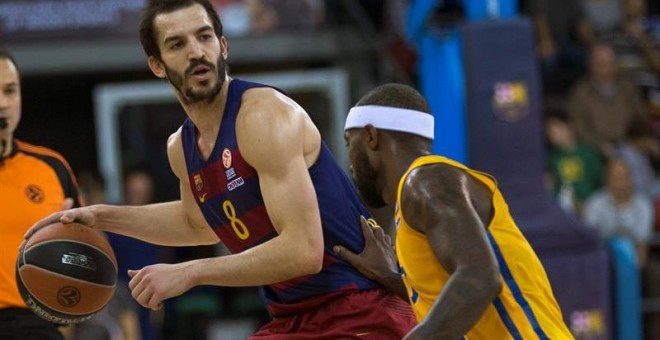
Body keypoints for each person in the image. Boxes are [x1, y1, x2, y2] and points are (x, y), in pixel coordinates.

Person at [29, 0, 415, 338]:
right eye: (177, 44)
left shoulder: (263, 116)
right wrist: (99, 217)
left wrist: (191, 272)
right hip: (292, 318)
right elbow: (197, 222)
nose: (196, 52)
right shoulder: (181, 147)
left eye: (205, 37)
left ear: (223, 46)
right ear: (157, 65)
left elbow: (305, 250)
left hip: (358, 310)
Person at [335, 83, 574, 339]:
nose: (349, 163)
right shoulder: (417, 198)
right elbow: (449, 294)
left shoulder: (426, 181)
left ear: (371, 136)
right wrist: (390, 276)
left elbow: (480, 276)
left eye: (350, 143)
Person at [0, 49, 82, 339]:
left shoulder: (52, 168)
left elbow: (83, 256)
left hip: (36, 325)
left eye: (10, 90)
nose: (2, 104)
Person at [584, 157, 654, 268]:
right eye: (614, 177)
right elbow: (591, 238)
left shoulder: (642, 205)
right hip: (603, 257)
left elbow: (642, 243)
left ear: (630, 179)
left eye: (622, 177)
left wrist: (634, 269)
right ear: (607, 179)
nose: (619, 181)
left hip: (634, 258)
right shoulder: (595, 203)